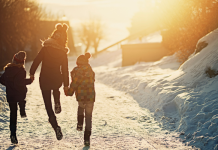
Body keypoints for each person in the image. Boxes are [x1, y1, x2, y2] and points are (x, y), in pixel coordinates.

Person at [29, 23, 69, 140]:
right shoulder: (63, 52)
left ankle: (55, 126)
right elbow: (65, 70)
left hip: (44, 79)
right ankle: (57, 100)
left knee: (47, 104)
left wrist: (31, 73)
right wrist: (66, 85)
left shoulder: (46, 48)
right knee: (56, 89)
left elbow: (36, 60)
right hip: (57, 78)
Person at [0, 51, 33, 144]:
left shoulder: (7, 70)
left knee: (13, 114)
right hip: (19, 94)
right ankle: (22, 106)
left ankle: (13, 134)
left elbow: (1, 80)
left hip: (10, 95)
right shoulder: (21, 70)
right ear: (22, 62)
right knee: (23, 91)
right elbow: (19, 82)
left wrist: (9, 85)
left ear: (13, 60)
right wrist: (29, 81)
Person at [68, 52, 95, 146]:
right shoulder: (90, 70)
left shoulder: (77, 70)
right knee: (89, 117)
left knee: (80, 107)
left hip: (81, 96)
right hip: (91, 97)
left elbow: (75, 82)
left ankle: (79, 124)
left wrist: (69, 92)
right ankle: (87, 138)